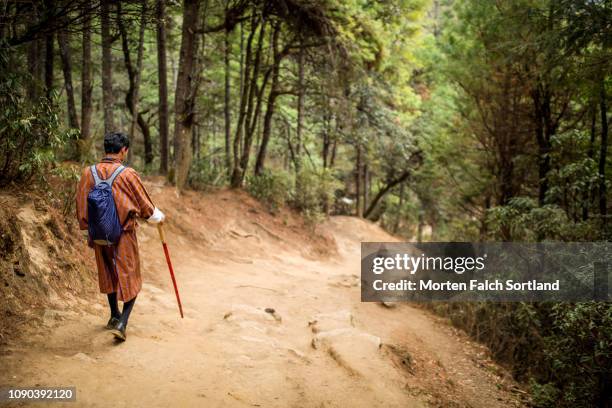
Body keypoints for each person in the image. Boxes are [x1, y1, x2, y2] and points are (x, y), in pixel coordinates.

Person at [76, 132, 165, 341]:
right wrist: (157, 217)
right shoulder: (127, 174)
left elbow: (81, 206)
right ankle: (123, 322)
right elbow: (145, 207)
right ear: (123, 150)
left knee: (108, 272)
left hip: (98, 234)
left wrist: (87, 227)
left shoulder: (88, 173)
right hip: (123, 235)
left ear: (105, 149)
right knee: (130, 275)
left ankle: (114, 315)